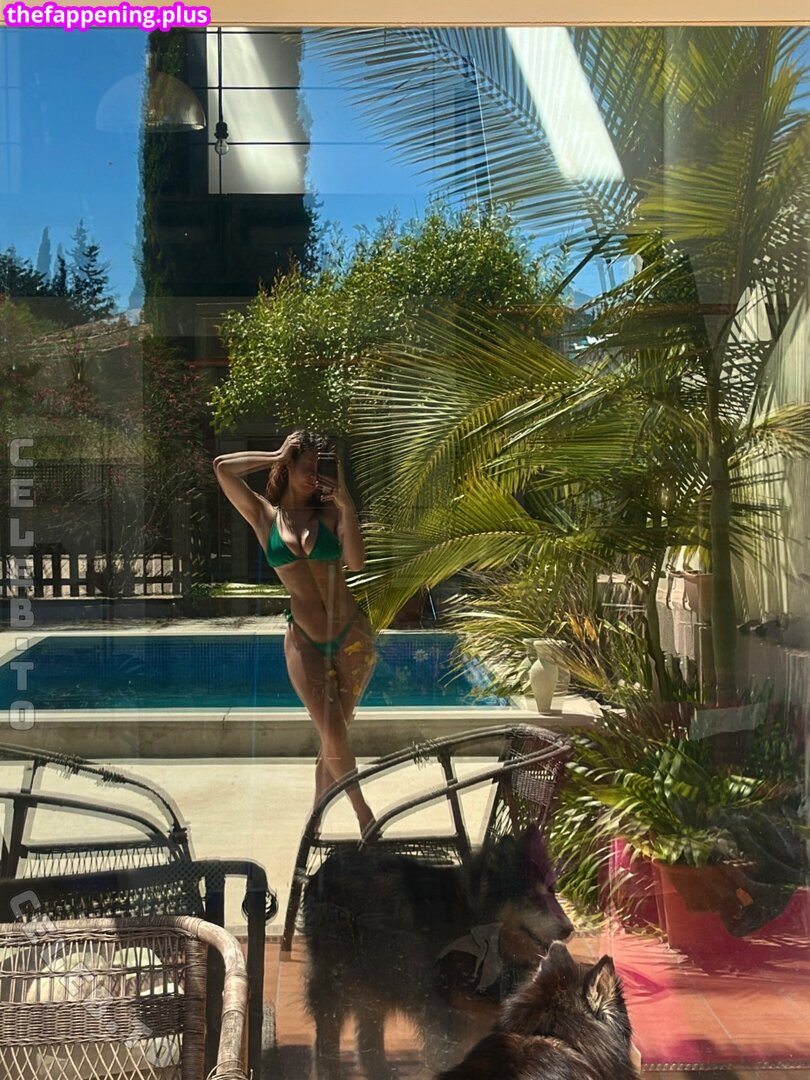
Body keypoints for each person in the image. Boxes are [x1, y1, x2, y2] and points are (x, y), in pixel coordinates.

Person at [213, 431, 376, 832]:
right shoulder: (264, 516)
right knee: (333, 733)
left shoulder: (331, 514)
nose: (315, 475)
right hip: (304, 639)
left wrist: (347, 505)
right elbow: (222, 469)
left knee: (333, 737)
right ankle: (365, 816)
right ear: (288, 466)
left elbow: (356, 563)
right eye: (307, 466)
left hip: (352, 636)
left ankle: (313, 823)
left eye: (320, 467)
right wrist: (275, 453)